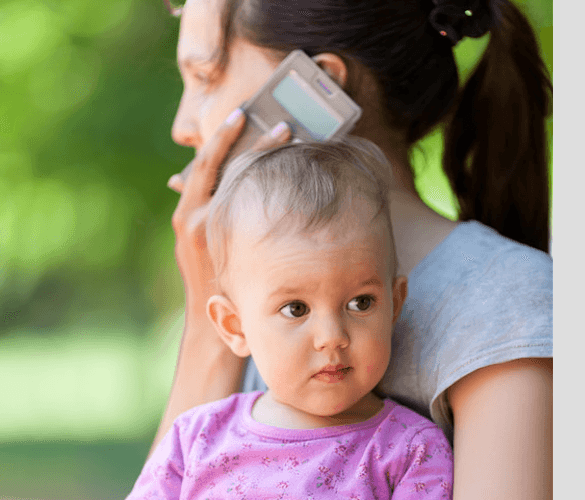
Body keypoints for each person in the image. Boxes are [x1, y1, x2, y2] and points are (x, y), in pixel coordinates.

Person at [156, 0, 553, 498]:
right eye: (296, 309)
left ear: (316, 89)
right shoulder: (264, 293)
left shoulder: (503, 302)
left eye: (206, 75)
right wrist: (210, 326)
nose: (182, 124)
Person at [127, 139, 454, 499]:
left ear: (395, 303)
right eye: (296, 308)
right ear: (234, 326)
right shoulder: (196, 438)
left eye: (361, 303)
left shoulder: (408, 451)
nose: (332, 337)